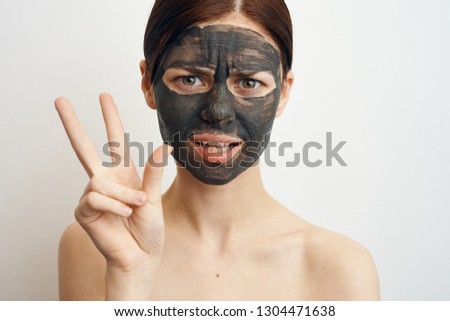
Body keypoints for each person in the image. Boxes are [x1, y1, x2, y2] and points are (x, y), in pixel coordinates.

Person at [55, 0, 380, 300]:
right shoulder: (93, 247)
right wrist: (130, 280)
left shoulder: (341, 269)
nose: (219, 111)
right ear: (147, 84)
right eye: (190, 79)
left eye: (249, 82)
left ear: (283, 92)